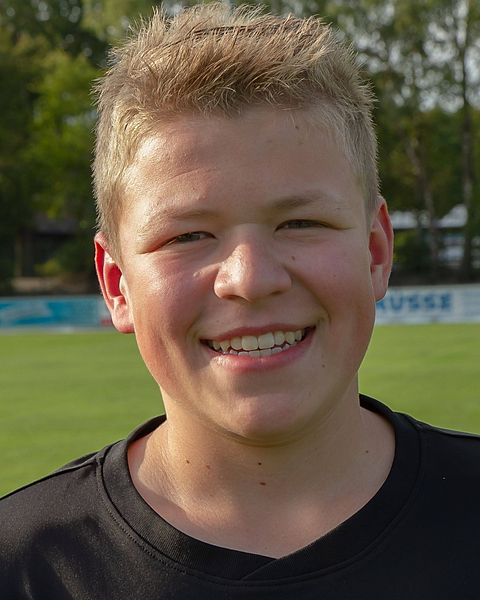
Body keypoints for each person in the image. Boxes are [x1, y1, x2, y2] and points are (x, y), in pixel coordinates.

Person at [1, 4, 480, 598]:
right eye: (188, 236)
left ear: (376, 252)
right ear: (118, 284)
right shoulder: (23, 567)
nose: (250, 280)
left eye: (301, 223)